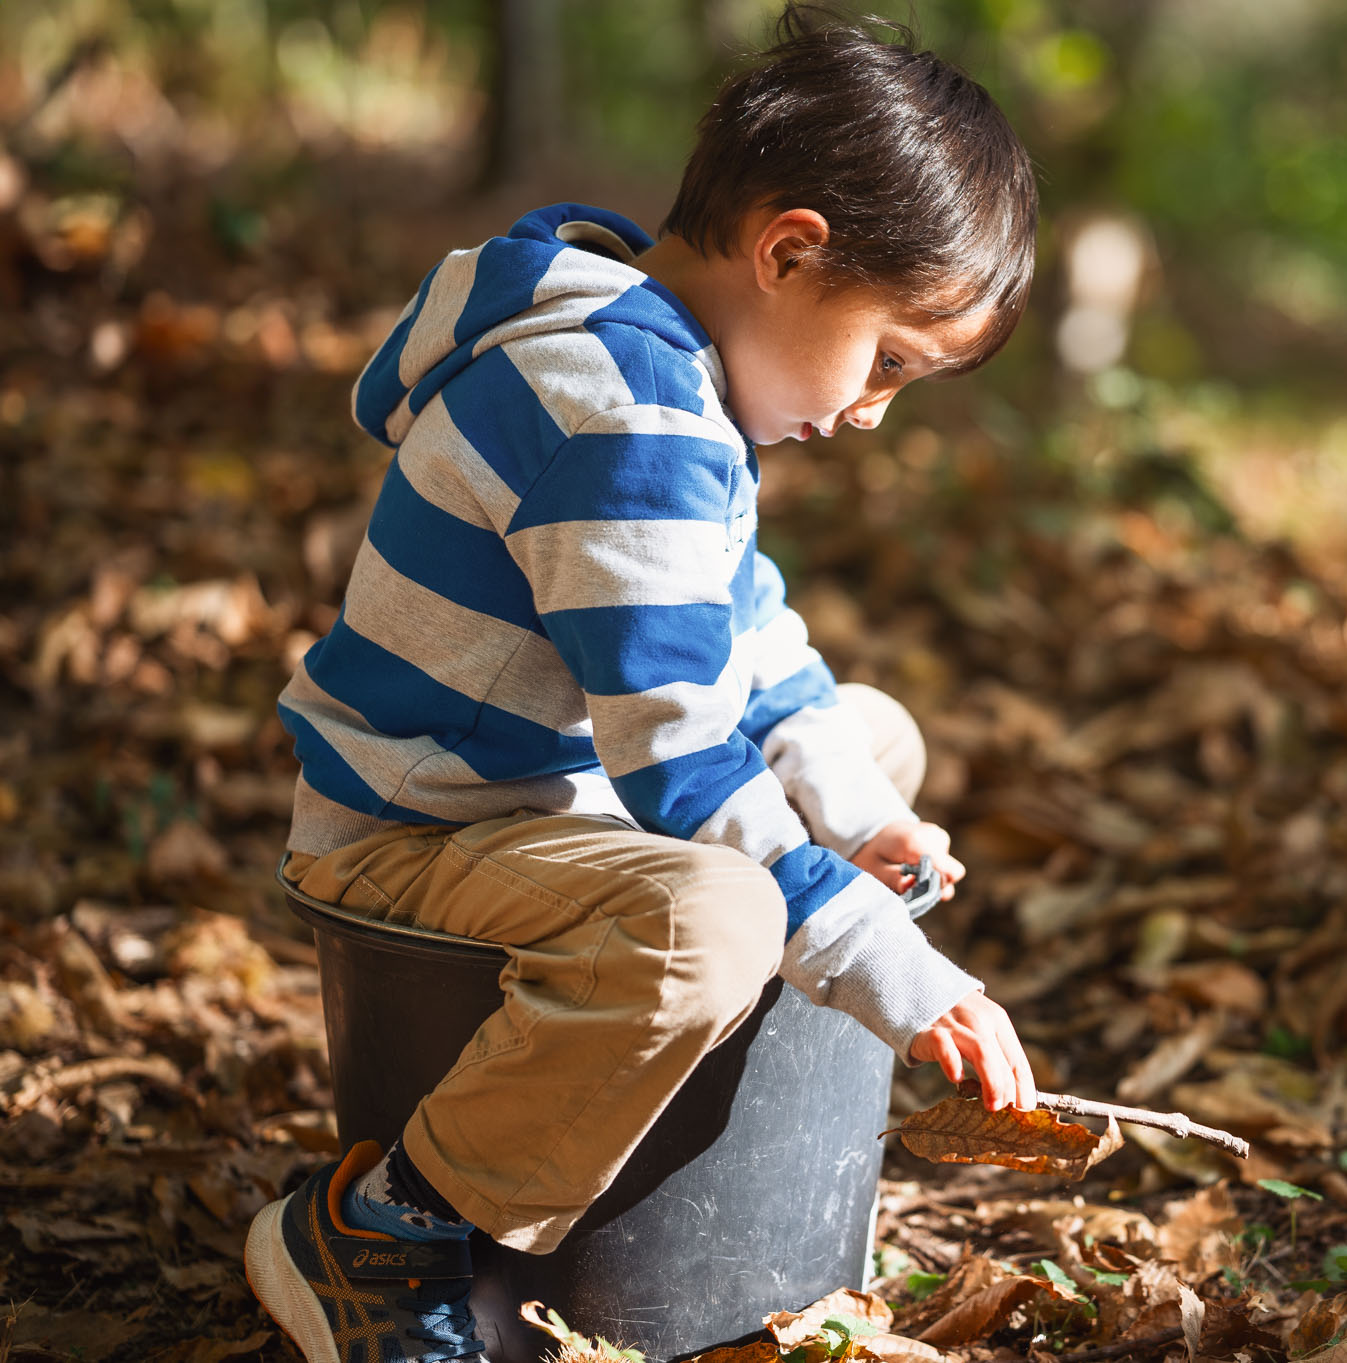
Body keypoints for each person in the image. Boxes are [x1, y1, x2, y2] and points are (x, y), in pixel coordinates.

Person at [243, 8, 1040, 1359]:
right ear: (790, 252)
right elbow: (681, 757)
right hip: (420, 837)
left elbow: (748, 632)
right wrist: (881, 957)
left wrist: (855, 814)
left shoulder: (653, 361)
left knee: (870, 737)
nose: (870, 414)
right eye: (889, 361)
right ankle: (387, 1227)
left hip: (542, 803)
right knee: (719, 918)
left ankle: (771, 948)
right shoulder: (621, 415)